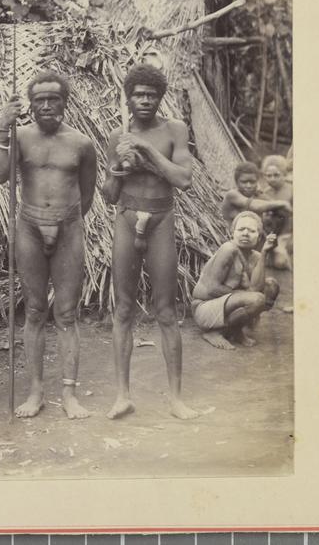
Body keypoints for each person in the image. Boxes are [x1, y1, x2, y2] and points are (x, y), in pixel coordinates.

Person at [0, 70, 97, 420]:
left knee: (67, 314)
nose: (47, 105)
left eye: (54, 98)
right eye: (40, 100)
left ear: (65, 102)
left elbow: (87, 195)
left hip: (68, 229)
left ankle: (69, 393)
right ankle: (35, 391)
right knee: (35, 310)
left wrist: (63, 222)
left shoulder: (81, 143)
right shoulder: (19, 137)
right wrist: (2, 129)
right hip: (29, 228)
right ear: (31, 105)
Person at [102, 63, 199, 420]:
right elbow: (110, 195)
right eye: (138, 94)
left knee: (166, 311)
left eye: (151, 94)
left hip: (161, 220)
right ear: (128, 98)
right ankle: (122, 396)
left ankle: (175, 399)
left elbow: (183, 179)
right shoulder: (117, 136)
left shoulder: (174, 130)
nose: (145, 100)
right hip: (127, 218)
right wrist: (120, 168)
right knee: (123, 309)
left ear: (160, 97)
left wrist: (146, 150)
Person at [192, 211, 280, 350]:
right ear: (232, 232)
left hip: (226, 304)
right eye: (241, 229)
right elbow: (212, 289)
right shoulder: (228, 249)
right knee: (255, 299)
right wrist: (246, 293)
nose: (245, 233)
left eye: (251, 231)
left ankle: (235, 330)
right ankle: (214, 332)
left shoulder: (255, 256)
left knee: (271, 286)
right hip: (204, 308)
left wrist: (264, 253)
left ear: (259, 237)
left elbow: (257, 288)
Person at [219, 161, 292, 226]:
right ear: (237, 183)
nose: (248, 186)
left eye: (252, 182)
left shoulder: (257, 195)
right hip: (230, 238)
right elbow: (255, 206)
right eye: (244, 182)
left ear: (257, 182)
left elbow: (279, 208)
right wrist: (282, 203)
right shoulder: (232, 195)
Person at [261, 154, 294, 265]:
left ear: (284, 175)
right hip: (272, 231)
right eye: (269, 176)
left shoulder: (292, 190)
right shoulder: (265, 192)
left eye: (276, 175)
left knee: (280, 263)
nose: (272, 179)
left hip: (288, 231)